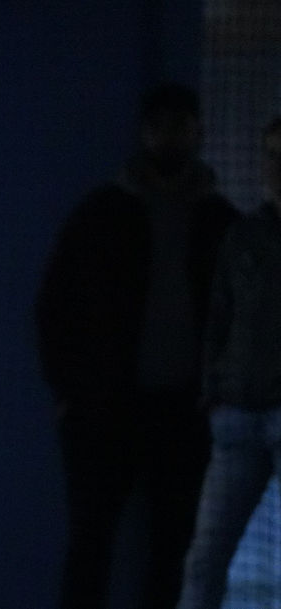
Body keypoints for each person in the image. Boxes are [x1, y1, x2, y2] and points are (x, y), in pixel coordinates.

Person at [36, 83, 238, 609]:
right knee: (93, 543)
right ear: (145, 133)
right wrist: (69, 394)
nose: (170, 136)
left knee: (171, 549)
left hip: (184, 414)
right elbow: (53, 307)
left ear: (198, 133)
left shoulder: (221, 224)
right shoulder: (101, 214)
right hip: (107, 412)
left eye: (180, 125)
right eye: (161, 125)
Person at [175, 116, 281, 609]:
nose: (276, 166)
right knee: (204, 559)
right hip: (237, 419)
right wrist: (214, 392)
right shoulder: (244, 236)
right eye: (271, 153)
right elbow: (218, 319)